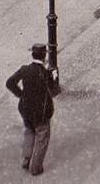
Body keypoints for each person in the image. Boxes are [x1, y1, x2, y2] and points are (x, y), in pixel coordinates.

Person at [4, 42, 59, 176]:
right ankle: (35, 167)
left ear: (33, 55)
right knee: (42, 136)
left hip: (25, 109)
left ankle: (26, 159)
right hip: (41, 112)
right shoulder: (45, 73)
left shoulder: (24, 69)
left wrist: (21, 94)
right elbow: (52, 90)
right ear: (44, 57)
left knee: (29, 132)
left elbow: (9, 83)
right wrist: (54, 77)